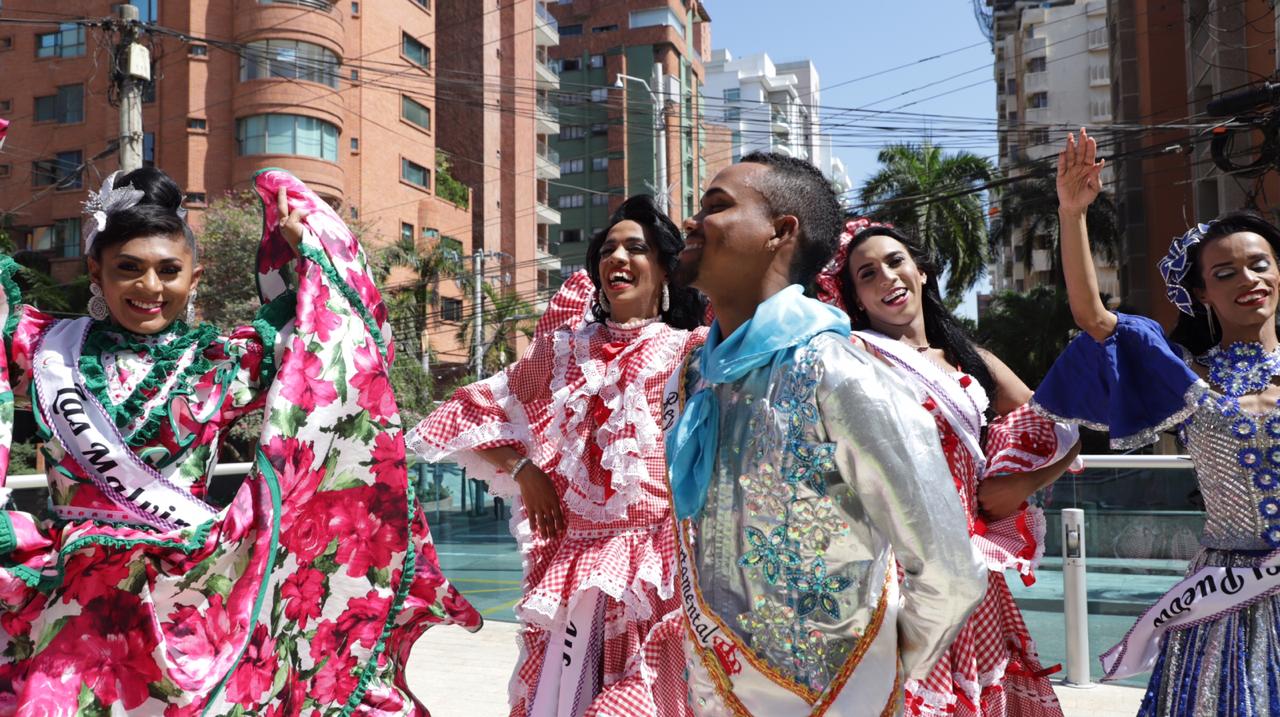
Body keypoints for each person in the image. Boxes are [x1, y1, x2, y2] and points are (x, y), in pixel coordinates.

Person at [0, 167, 481, 714]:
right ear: (96, 270)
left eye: (168, 271)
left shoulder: (224, 361)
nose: (150, 287)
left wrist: (310, 250)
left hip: (186, 594)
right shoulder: (40, 347)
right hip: (72, 591)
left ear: (195, 276)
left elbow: (329, 331)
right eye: (128, 269)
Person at [662, 151, 987, 716]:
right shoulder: (697, 376)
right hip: (714, 692)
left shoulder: (840, 372)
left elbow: (949, 571)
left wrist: (882, 670)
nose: (693, 221)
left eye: (717, 206)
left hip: (837, 697)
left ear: (780, 233)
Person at [408, 195, 707, 717]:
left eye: (636, 248)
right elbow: (467, 413)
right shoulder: (563, 349)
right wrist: (527, 475)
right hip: (573, 567)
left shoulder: (692, 351)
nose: (618, 258)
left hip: (657, 570)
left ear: (664, 270)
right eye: (607, 248)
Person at [1036, 128, 1280, 714]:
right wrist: (1073, 214)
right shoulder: (1185, 374)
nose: (1248, 280)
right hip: (1225, 599)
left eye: (1260, 265)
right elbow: (1094, 317)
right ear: (1201, 293)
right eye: (1225, 273)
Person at [815, 220, 1080, 716]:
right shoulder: (853, 359)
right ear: (856, 297)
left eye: (895, 262)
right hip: (893, 567)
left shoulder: (969, 359)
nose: (887, 278)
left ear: (920, 270)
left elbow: (1062, 429)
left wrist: (1024, 483)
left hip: (969, 560)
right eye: (867, 273)